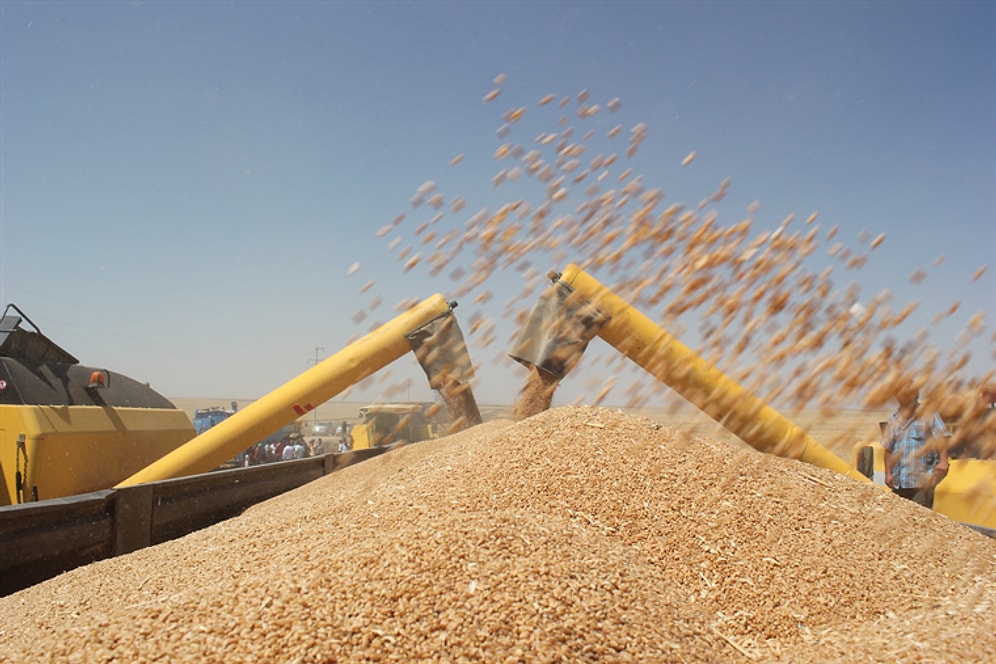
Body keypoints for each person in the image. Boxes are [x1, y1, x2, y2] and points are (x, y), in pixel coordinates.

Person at [881, 383, 950, 508]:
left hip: (922, 481)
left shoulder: (928, 414)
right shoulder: (894, 419)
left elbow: (942, 438)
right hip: (899, 482)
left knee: (919, 517)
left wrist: (943, 461)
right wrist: (888, 473)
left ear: (915, 394)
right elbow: (888, 448)